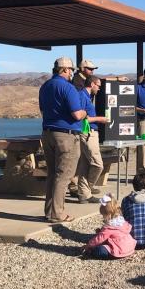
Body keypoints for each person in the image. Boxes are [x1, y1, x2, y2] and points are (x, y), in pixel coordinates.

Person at [39, 57, 86, 223]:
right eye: (71, 70)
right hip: (66, 135)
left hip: (48, 133)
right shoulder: (68, 88)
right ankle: (58, 213)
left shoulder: (45, 87)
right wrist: (85, 113)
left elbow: (43, 110)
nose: (72, 73)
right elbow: (76, 114)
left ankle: (49, 211)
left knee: (52, 174)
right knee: (64, 175)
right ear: (65, 70)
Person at [76, 75, 108, 204]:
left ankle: (83, 194)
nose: (99, 88)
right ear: (92, 84)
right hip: (88, 133)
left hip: (90, 133)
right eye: (98, 85)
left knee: (85, 165)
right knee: (98, 164)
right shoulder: (82, 96)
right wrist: (100, 119)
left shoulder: (87, 96)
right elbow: (82, 118)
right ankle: (86, 190)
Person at [83, 194, 136, 259]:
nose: (103, 217)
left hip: (119, 250)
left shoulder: (109, 227)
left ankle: (92, 252)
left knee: (99, 250)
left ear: (109, 215)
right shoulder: (121, 221)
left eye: (104, 215)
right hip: (129, 247)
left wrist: (89, 245)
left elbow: (99, 239)